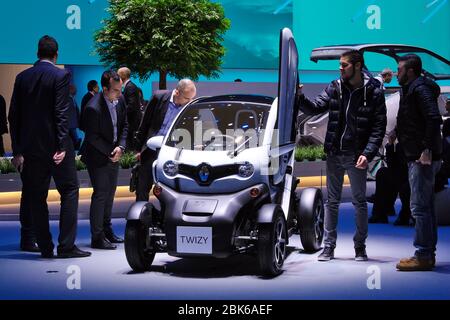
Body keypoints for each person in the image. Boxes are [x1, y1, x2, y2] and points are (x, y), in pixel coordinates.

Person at [295, 50, 387, 261]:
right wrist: (300, 98)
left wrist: (367, 153)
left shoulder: (373, 91)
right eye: (340, 65)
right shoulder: (335, 86)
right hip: (335, 153)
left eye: (344, 65)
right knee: (332, 202)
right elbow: (315, 107)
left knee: (359, 202)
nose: (340, 68)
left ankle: (360, 247)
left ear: (357, 66)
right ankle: (329, 247)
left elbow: (378, 127)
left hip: (357, 155)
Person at [8, 35, 90, 258]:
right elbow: (61, 112)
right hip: (57, 149)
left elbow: (13, 116)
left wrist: (17, 151)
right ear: (56, 55)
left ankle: (45, 247)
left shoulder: (22, 77)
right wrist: (63, 145)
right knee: (70, 191)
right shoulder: (61, 75)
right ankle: (66, 246)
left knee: (36, 196)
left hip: (31, 150)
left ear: (37, 54)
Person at [395, 54, 443, 271]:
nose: (397, 73)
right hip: (419, 155)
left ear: (410, 71)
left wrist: (426, 149)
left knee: (420, 207)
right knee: (426, 207)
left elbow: (433, 118)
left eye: (399, 70)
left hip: (421, 157)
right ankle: (427, 253)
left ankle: (423, 254)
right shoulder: (413, 88)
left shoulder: (419, 89)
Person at [80, 70, 128, 250]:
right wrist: (112, 151)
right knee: (101, 194)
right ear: (105, 89)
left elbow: (125, 126)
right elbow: (92, 137)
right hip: (97, 156)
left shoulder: (120, 100)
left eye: (120, 89)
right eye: (116, 90)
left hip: (114, 153)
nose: (119, 93)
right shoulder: (93, 107)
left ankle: (107, 231)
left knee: (111, 193)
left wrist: (121, 147)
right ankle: (97, 237)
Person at [134, 79, 196, 202]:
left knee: (168, 190)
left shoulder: (189, 107)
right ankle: (140, 217)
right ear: (177, 93)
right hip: (150, 149)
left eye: (192, 99)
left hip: (170, 154)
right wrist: (138, 149)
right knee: (142, 187)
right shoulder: (159, 97)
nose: (190, 102)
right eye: (187, 98)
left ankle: (165, 219)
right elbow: (145, 123)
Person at [368, 133, 412, 226]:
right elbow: (392, 165)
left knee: (405, 182)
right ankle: (381, 211)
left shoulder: (416, 142)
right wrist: (390, 145)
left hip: (413, 174)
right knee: (382, 173)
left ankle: (404, 214)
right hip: (402, 174)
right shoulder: (400, 145)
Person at [118, 67, 141, 151]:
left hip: (132, 121)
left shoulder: (130, 87)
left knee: (130, 144)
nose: (117, 77)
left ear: (123, 75)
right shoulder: (129, 86)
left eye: (118, 75)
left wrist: (120, 113)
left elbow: (131, 106)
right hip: (131, 121)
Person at [68, 84, 82, 151]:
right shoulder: (68, 100)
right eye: (74, 89)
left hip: (73, 124)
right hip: (70, 125)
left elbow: (77, 111)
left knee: (75, 140)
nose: (76, 91)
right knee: (75, 140)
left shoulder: (72, 99)